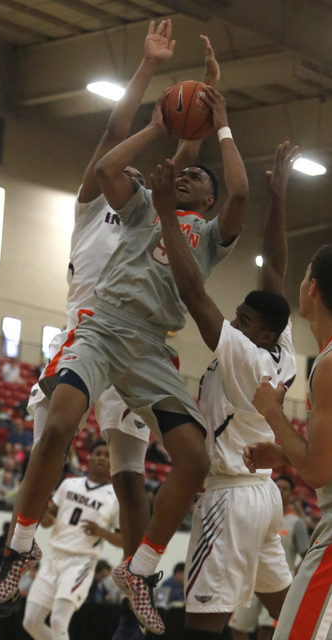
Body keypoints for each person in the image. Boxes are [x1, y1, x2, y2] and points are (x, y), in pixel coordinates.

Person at [0, 26, 236, 638]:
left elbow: (186, 177)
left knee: (129, 477)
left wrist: (200, 111)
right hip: (89, 330)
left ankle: (136, 574)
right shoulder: (97, 205)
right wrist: (149, 72)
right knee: (56, 438)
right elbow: (110, 142)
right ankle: (21, 550)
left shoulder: (159, 211)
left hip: (145, 340)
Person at [151, 141, 298, 639]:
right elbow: (274, 269)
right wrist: (278, 197)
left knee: (201, 627)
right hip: (263, 496)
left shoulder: (245, 355)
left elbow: (193, 293)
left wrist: (166, 215)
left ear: (260, 334)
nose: (234, 321)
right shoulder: (284, 346)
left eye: (244, 319)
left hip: (231, 497)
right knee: (290, 614)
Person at [242, 243, 332, 640]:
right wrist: (284, 454)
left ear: (312, 288)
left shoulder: (329, 364)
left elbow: (317, 471)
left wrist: (272, 412)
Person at [22, 439, 122, 640]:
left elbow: (123, 540)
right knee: (31, 621)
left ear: (113, 462)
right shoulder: (69, 484)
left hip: (81, 562)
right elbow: (48, 522)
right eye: (98, 453)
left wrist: (101, 532)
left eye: (107, 454)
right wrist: (39, 505)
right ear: (90, 458)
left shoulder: (115, 497)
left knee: (59, 621)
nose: (102, 457)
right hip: (53, 557)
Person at [228, 475, 309, 640]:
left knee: (266, 630)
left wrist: (296, 577)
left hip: (277, 582)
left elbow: (306, 555)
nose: (279, 490)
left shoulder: (296, 523)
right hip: (250, 580)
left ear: (291, 494)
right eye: (277, 486)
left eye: (285, 488)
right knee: (238, 627)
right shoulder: (257, 514)